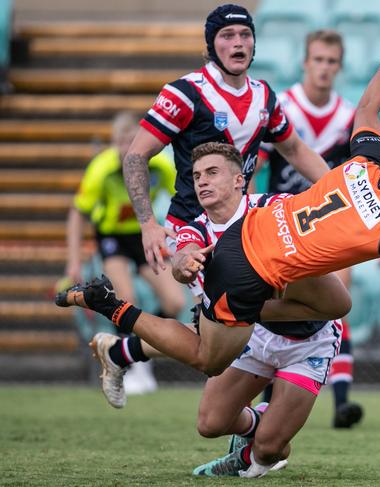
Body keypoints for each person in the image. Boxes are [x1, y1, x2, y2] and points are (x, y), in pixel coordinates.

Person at [56, 32, 380, 463]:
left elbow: (369, 105)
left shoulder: (364, 161)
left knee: (338, 304)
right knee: (203, 356)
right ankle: (114, 308)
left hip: (249, 233)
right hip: (247, 272)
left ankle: (211, 345)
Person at [90, 144, 342, 477]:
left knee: (270, 450)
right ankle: (258, 422)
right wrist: (184, 264)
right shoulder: (195, 229)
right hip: (256, 334)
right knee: (210, 423)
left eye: (212, 173)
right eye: (196, 176)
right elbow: (183, 254)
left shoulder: (273, 207)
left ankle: (258, 444)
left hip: (310, 340)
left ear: (240, 180)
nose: (202, 182)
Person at [122, 3, 330, 276]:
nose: (238, 43)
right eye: (227, 35)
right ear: (211, 46)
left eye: (245, 34)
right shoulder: (184, 92)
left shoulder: (264, 95)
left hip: (243, 228)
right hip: (191, 229)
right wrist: (148, 224)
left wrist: (337, 188)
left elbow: (295, 150)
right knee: (219, 314)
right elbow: (135, 156)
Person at [257, 29, 362, 428]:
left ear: (339, 66)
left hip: (330, 230)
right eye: (317, 59)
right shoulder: (283, 106)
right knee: (276, 312)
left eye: (331, 61)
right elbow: (257, 167)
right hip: (281, 226)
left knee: (338, 307)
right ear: (305, 62)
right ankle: (267, 403)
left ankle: (341, 402)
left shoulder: (349, 115)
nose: (324, 68)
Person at [64, 111, 185, 399]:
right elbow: (77, 213)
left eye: (132, 141)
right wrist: (73, 260)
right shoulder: (101, 169)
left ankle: (143, 344)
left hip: (144, 234)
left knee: (174, 300)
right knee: (127, 297)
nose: (126, 148)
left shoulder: (161, 167)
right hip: (112, 238)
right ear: (113, 143)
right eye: (121, 141)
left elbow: (182, 199)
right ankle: (130, 363)